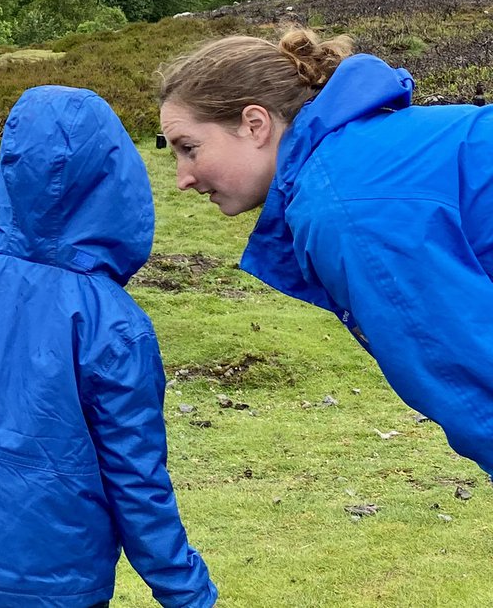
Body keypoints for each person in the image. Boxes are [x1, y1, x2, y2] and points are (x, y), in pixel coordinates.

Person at [0, 85, 217, 608]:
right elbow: (137, 480)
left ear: (10, 168)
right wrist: (186, 591)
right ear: (114, 177)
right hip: (54, 584)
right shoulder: (117, 326)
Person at [158, 28, 493, 477]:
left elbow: (469, 382)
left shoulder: (343, 205)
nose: (182, 178)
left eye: (189, 148)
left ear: (254, 125)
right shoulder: (361, 153)